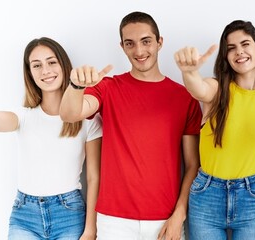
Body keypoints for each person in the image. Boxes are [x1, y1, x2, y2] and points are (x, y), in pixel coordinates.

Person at [59, 11, 202, 240]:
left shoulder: (185, 97)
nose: (139, 51)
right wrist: (75, 86)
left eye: (146, 41)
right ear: (123, 47)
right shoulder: (108, 88)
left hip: (165, 220)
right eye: (130, 43)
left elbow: (193, 165)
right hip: (113, 222)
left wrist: (179, 215)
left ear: (159, 42)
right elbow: (69, 114)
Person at [0, 37, 102, 239]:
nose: (45, 71)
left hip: (69, 215)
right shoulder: (23, 116)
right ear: (30, 72)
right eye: (37, 65)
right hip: (25, 215)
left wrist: (91, 229)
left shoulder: (87, 119)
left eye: (51, 62)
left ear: (63, 65)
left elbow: (93, 177)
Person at [173, 20, 255, 240]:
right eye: (231, 48)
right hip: (207, 195)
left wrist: (250, 179)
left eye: (245, 44)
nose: (239, 52)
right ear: (226, 57)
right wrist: (189, 72)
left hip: (252, 199)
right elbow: (198, 88)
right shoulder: (217, 89)